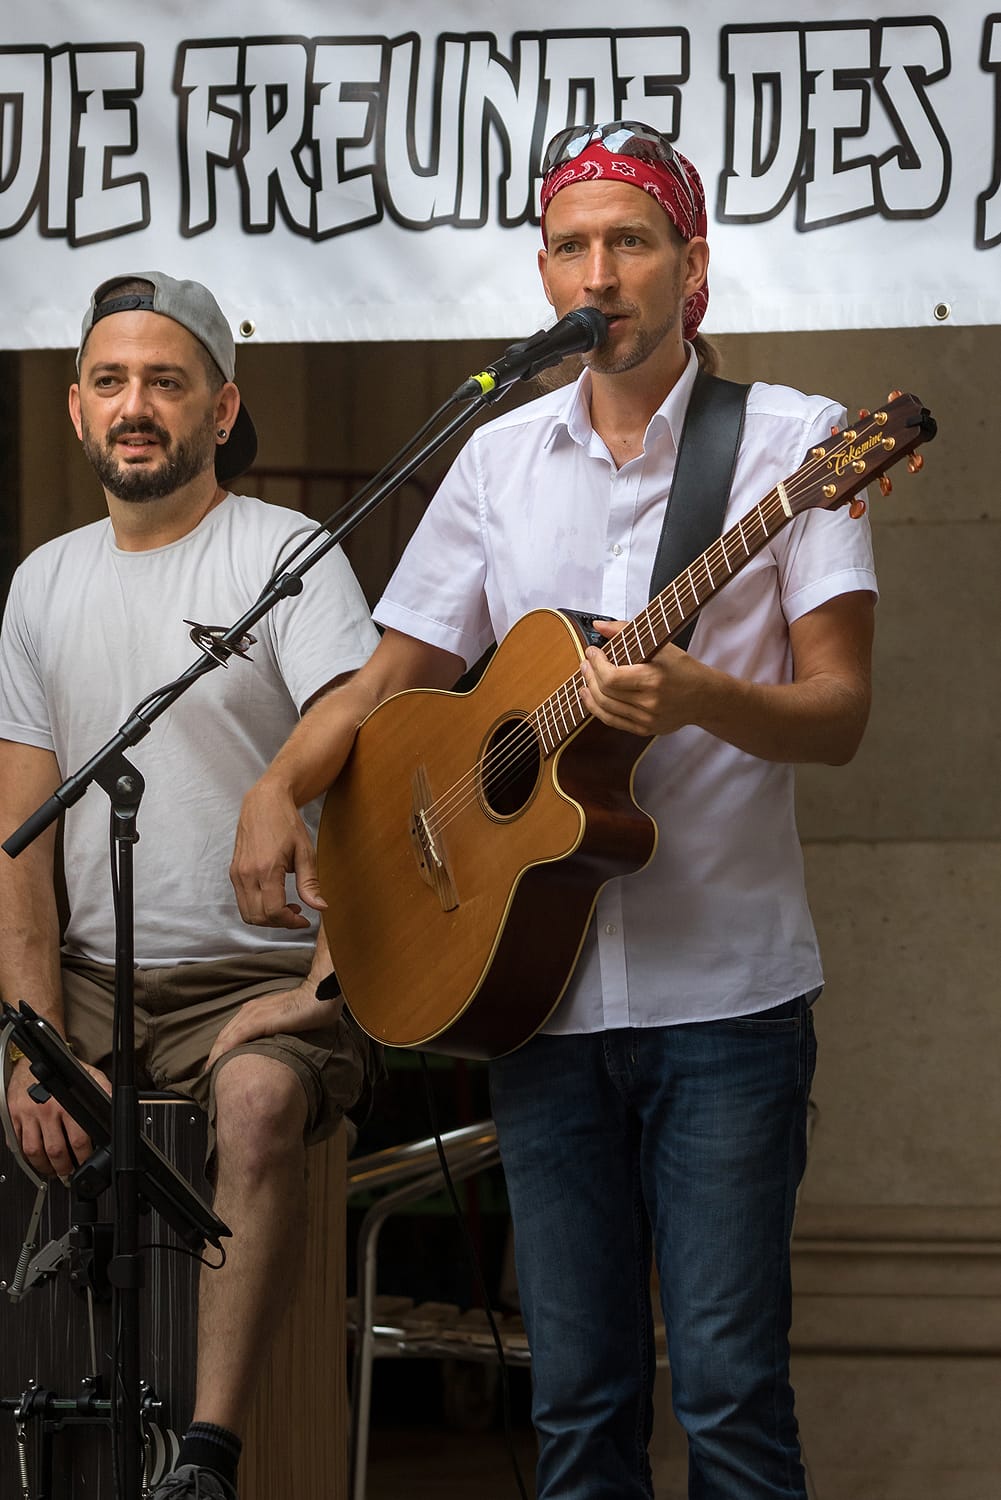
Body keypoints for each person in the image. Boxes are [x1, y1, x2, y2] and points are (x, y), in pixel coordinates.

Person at [230, 121, 877, 1500]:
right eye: (572, 246)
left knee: (729, 1399)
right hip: (538, 1001)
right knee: (576, 1411)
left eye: (630, 242)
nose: (600, 273)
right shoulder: (496, 457)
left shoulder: (797, 444)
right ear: (542, 273)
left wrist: (701, 697)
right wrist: (281, 784)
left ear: (690, 266)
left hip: (726, 1002)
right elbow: (392, 681)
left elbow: (837, 714)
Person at [0, 272, 380, 1500]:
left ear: (221, 410)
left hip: (253, 976)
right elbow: (18, 841)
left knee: (259, 1106)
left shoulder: (285, 555)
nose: (135, 406)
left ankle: (205, 1459)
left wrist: (329, 983)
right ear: (74, 409)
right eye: (110, 382)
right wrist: (29, 1039)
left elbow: (374, 765)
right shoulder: (42, 583)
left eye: (166, 382)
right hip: (93, 980)